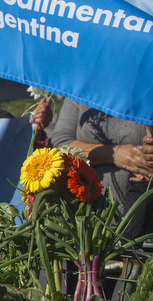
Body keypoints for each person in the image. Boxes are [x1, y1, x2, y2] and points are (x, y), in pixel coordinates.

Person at [47, 98, 153, 236]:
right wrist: (114, 153)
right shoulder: (82, 87)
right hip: (85, 217)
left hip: (141, 218)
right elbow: (58, 145)